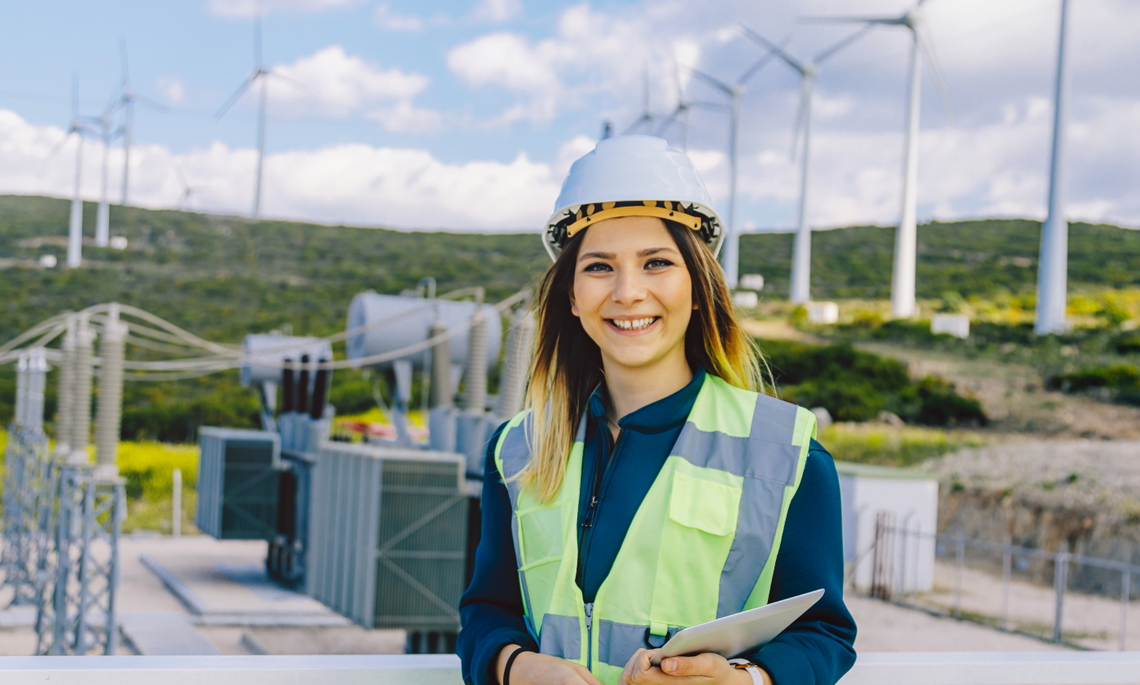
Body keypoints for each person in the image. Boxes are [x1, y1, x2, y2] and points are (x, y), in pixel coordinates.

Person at [457, 135, 856, 685]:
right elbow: (485, 613)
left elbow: (825, 635)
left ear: (697, 288)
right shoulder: (517, 449)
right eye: (599, 267)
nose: (627, 292)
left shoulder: (787, 454)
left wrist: (745, 680)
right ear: (572, 296)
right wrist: (518, 667)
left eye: (656, 263)